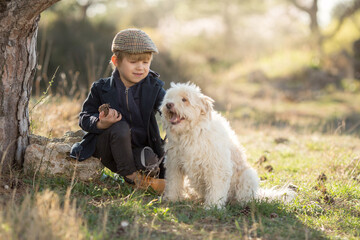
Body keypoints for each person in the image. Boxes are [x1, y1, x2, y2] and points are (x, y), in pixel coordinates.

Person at [70, 28, 166, 194]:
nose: (141, 68)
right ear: (116, 61)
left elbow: (169, 110)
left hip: (137, 149)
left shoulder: (154, 88)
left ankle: (150, 177)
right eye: (134, 62)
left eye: (145, 62)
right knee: (120, 126)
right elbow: (84, 117)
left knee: (153, 156)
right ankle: (131, 176)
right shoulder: (101, 88)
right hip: (108, 147)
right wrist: (100, 123)